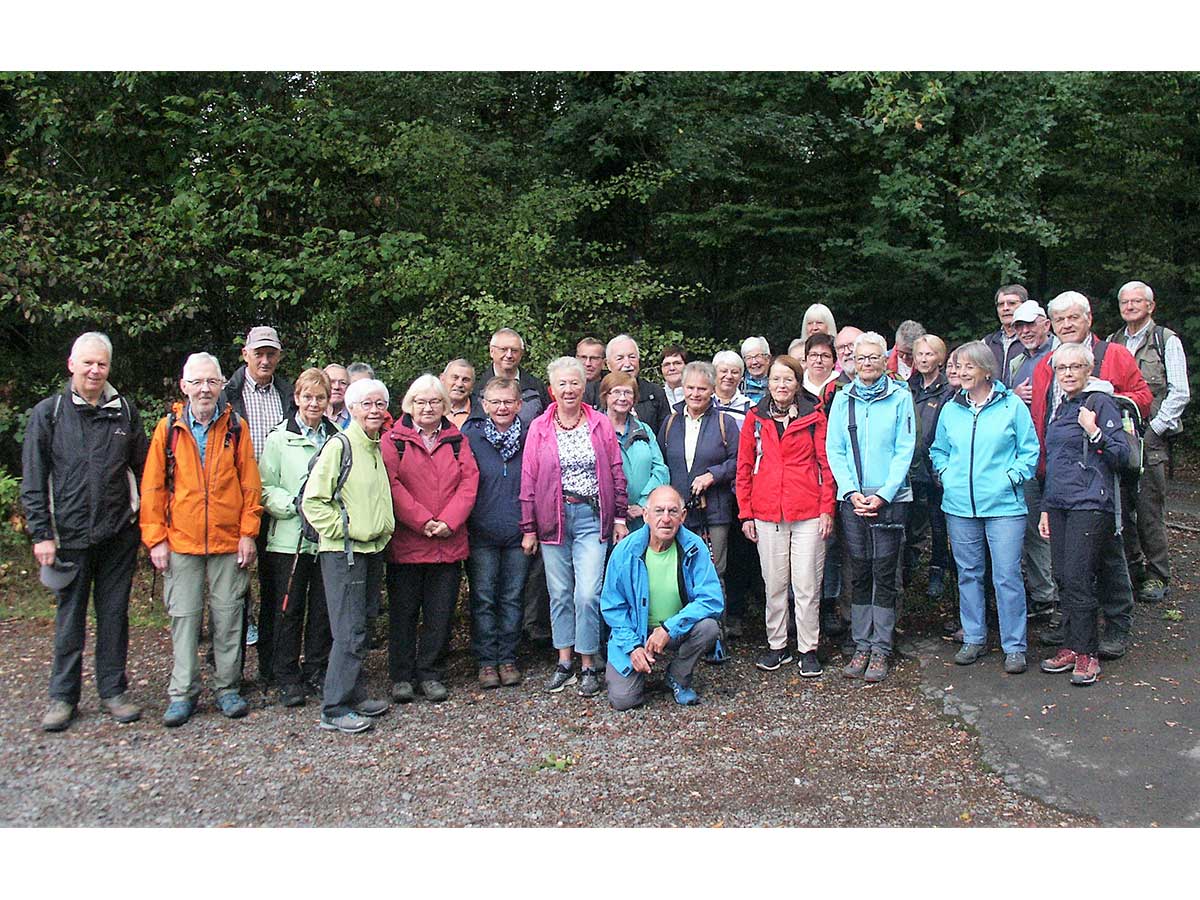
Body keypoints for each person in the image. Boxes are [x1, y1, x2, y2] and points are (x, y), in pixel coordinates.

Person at [22, 332, 148, 732]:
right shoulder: (50, 412)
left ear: (109, 368)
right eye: (88, 363)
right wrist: (42, 533)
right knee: (69, 620)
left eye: (102, 364)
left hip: (118, 535)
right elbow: (34, 478)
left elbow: (145, 473)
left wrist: (144, 526)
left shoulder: (124, 412)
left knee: (114, 617)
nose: (95, 370)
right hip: (69, 536)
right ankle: (63, 697)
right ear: (71, 364)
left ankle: (113, 691)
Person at [141, 352, 262, 727]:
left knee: (229, 618)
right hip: (182, 542)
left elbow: (250, 485)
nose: (205, 389)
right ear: (184, 386)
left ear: (223, 384)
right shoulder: (169, 429)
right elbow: (153, 488)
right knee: (185, 619)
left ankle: (228, 688)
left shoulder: (235, 427)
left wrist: (248, 533)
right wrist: (155, 539)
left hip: (228, 541)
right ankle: (183, 693)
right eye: (197, 382)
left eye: (211, 381)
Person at [1031, 291, 1151, 659]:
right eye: (1061, 319)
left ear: (1089, 319)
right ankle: (1074, 630)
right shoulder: (1045, 364)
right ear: (1051, 324)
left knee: (1110, 552)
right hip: (1059, 472)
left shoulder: (1112, 355)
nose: (1068, 324)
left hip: (1103, 475)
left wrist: (1105, 399)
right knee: (1068, 563)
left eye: (1074, 317)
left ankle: (1116, 625)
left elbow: (1143, 397)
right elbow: (1040, 415)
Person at [929, 341, 1041, 674]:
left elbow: (1029, 452)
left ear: (987, 371)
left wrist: (1010, 478)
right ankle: (974, 637)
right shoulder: (951, 408)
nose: (960, 372)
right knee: (968, 573)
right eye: (957, 366)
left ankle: (1015, 646)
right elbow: (939, 451)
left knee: (1006, 576)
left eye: (968, 367)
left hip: (1004, 506)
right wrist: (947, 476)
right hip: (960, 506)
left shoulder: (1012, 407)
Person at [521, 357, 628, 697]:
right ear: (552, 389)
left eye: (575, 383)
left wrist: (620, 516)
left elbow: (615, 470)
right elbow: (528, 480)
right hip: (552, 518)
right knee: (560, 593)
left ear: (585, 387)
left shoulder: (599, 424)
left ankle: (588, 662)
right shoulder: (539, 427)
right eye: (562, 384)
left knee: (587, 594)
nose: (569, 390)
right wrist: (529, 527)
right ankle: (564, 660)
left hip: (591, 518)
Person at [302, 378, 395, 733]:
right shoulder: (340, 446)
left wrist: (380, 530)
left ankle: (353, 694)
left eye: (380, 404)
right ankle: (334, 707)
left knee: (364, 623)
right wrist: (348, 529)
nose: (374, 410)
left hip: (372, 550)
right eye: (367, 404)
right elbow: (314, 501)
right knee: (349, 629)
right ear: (352, 409)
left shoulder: (374, 446)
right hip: (345, 553)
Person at [382, 374, 479, 703]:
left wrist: (449, 521)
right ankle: (402, 676)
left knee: (440, 614)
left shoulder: (456, 441)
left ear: (445, 405)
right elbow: (391, 485)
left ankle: (432, 673)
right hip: (408, 542)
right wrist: (422, 521)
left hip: (447, 543)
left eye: (435, 401)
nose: (427, 407)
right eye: (421, 401)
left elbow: (469, 483)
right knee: (404, 613)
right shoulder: (393, 439)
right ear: (409, 405)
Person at [736, 355, 834, 677]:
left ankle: (808, 647)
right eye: (776, 379)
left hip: (807, 510)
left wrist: (826, 508)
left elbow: (825, 464)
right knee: (775, 583)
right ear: (768, 382)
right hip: (767, 512)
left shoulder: (814, 414)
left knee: (806, 584)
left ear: (797, 382)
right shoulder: (755, 417)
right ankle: (777, 644)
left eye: (788, 379)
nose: (781, 385)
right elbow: (744, 467)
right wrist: (746, 512)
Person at [825, 332, 915, 683]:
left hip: (890, 500)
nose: (866, 363)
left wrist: (885, 493)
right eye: (860, 358)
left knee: (885, 572)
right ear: (852, 362)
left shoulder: (900, 398)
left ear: (884, 360)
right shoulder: (843, 399)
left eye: (873, 357)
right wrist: (850, 492)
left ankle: (882, 646)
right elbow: (836, 450)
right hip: (853, 500)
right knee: (859, 571)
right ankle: (861, 642)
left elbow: (904, 448)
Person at [1038, 343, 1129, 686]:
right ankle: (1071, 645)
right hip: (1060, 502)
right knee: (1062, 575)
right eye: (1062, 368)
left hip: (1090, 503)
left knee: (1078, 576)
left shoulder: (1099, 403)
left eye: (1076, 367)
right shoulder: (1060, 409)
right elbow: (1055, 465)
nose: (1069, 373)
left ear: (1088, 370)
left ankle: (1087, 653)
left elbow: (1122, 455)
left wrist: (1095, 432)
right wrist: (1046, 508)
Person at [257, 368, 340, 707]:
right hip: (289, 538)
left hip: (326, 538)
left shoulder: (337, 436)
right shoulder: (279, 437)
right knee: (288, 609)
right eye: (307, 397)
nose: (314, 403)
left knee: (322, 608)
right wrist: (293, 504)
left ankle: (317, 669)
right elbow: (264, 488)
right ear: (296, 399)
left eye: (320, 397)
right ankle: (286, 674)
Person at [601, 486, 723, 709]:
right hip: (635, 631)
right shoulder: (625, 551)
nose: (665, 519)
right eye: (658, 511)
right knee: (624, 701)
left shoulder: (695, 548)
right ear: (646, 515)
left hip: (676, 629)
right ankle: (636, 665)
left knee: (708, 627)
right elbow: (612, 607)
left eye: (672, 511)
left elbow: (712, 599)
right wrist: (632, 647)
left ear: (683, 516)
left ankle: (677, 676)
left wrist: (669, 628)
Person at [221, 325, 296, 682]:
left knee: (276, 590)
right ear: (245, 354)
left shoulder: (288, 393)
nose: (265, 360)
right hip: (235, 503)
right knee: (232, 593)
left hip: (278, 504)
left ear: (279, 356)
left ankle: (270, 667)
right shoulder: (226, 395)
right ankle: (228, 673)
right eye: (259, 353)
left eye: (271, 354)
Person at [1108, 280, 1190, 604]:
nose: (1129, 307)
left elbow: (1180, 391)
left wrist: (1155, 429)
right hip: (1118, 438)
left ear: (1150, 306)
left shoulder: (1165, 341)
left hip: (1151, 439)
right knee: (1121, 508)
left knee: (1148, 510)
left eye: (1136, 302)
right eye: (1124, 302)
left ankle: (1158, 576)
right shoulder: (1113, 342)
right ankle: (1133, 571)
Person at [462, 377, 530, 688]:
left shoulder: (532, 437)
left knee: (513, 597)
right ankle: (487, 661)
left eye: (508, 402)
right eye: (495, 402)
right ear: (485, 405)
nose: (502, 407)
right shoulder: (471, 437)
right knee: (484, 597)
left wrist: (533, 528)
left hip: (519, 532)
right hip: (481, 531)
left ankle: (508, 657)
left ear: (519, 405)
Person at [658, 362, 741, 616]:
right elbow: (660, 462)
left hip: (713, 512)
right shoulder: (671, 422)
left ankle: (715, 633)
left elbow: (739, 461)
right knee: (678, 571)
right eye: (690, 387)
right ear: (682, 388)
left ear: (712, 390)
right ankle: (680, 631)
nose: (695, 394)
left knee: (714, 571)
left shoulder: (725, 423)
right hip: (676, 513)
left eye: (702, 389)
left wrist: (713, 475)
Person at [1008, 301, 1058, 619]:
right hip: (1027, 457)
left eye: (1031, 325)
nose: (1025, 331)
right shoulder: (1015, 362)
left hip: (1056, 456)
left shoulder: (1060, 356)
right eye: (1019, 327)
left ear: (1046, 325)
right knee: (1031, 529)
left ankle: (1061, 597)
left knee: (1055, 528)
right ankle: (1044, 597)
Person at [802, 333, 849, 637]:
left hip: (837, 473)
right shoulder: (795, 388)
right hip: (803, 477)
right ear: (805, 359)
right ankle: (805, 609)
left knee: (832, 544)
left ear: (834, 360)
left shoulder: (842, 389)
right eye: (814, 355)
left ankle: (831, 603)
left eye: (825, 355)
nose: (819, 360)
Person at [906, 334, 952, 597]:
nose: (923, 359)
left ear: (940, 357)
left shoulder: (948, 390)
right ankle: (908, 569)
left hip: (935, 470)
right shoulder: (906, 387)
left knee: (938, 525)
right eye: (919, 354)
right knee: (911, 522)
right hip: (911, 469)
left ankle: (938, 571)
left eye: (929, 354)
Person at [603, 371, 669, 531]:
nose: (622, 398)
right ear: (605, 395)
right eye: (616, 392)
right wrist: (617, 508)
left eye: (628, 392)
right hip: (605, 518)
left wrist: (644, 503)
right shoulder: (595, 430)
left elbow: (660, 469)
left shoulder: (644, 430)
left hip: (642, 517)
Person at [583, 334, 672, 437]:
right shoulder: (591, 392)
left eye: (632, 357)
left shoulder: (655, 392)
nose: (627, 363)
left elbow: (666, 435)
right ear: (608, 364)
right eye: (620, 358)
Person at [472, 327, 549, 428]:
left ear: (521, 354)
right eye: (503, 349)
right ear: (491, 351)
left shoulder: (536, 387)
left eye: (514, 351)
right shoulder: (477, 389)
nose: (509, 355)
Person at [984, 285, 1029, 387]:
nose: (1005, 308)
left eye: (1011, 303)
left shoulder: (1033, 341)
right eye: (1000, 305)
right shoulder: (987, 343)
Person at [712, 350, 754, 423]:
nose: (729, 376)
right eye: (724, 371)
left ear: (741, 377)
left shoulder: (751, 407)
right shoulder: (704, 403)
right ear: (714, 374)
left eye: (734, 372)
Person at [440, 358, 478, 428]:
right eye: (455, 378)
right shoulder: (429, 410)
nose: (459, 384)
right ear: (442, 379)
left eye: (465, 380)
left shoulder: (483, 414)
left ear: (472, 385)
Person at [739, 336, 771, 403]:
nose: (754, 362)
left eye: (758, 356)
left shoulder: (777, 382)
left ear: (768, 358)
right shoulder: (739, 384)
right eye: (748, 358)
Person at [324, 364, 351, 430]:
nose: (337, 387)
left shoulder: (356, 418)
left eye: (343, 383)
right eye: (331, 382)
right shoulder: (313, 414)